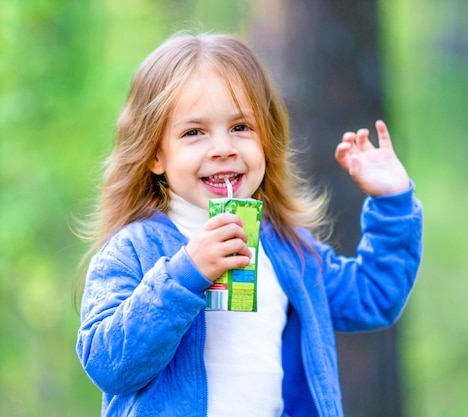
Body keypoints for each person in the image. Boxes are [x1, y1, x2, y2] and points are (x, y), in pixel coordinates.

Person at [76, 31, 423, 417]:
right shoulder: (133, 250)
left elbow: (374, 295)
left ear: (266, 141)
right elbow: (108, 364)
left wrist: (392, 202)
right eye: (194, 132)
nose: (223, 147)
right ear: (156, 154)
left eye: (241, 127)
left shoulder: (288, 251)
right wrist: (185, 273)